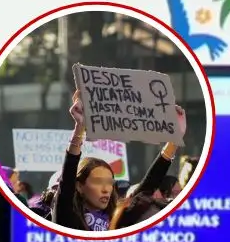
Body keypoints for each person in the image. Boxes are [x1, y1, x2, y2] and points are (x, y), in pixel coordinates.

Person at [52, 90, 183, 233]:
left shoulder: (119, 217)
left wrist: (174, 141)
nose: (106, 189)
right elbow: (68, 177)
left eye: (109, 182)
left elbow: (147, 186)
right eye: (97, 181)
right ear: (79, 186)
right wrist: (80, 128)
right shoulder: (66, 217)